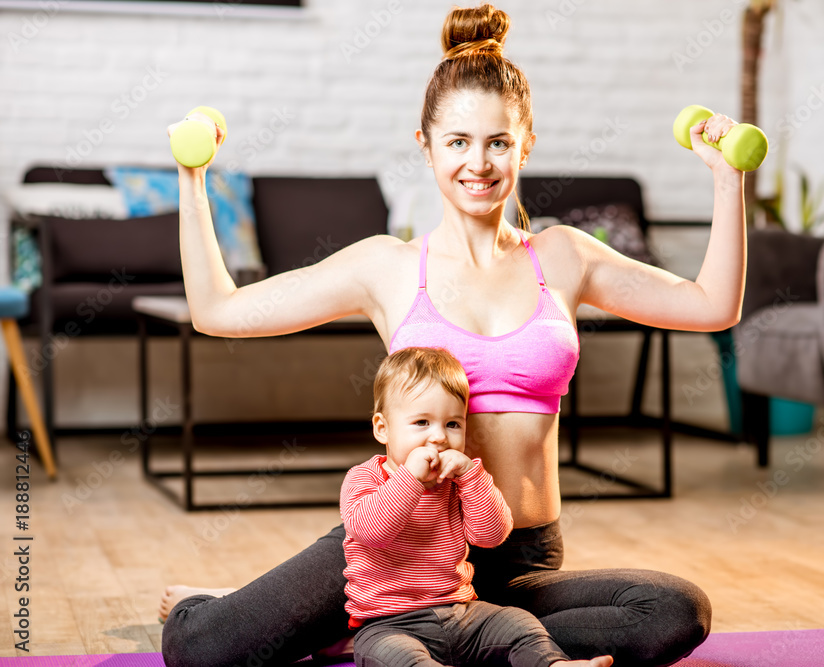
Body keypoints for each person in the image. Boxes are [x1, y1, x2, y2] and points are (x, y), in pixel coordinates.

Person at [161, 3, 744, 666]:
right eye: (458, 142)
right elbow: (218, 309)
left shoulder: (563, 256)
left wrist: (728, 179)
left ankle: (398, 632)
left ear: (525, 144)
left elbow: (712, 305)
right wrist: (193, 175)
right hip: (401, 544)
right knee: (201, 647)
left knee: (672, 611)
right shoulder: (386, 266)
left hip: (519, 560)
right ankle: (380, 618)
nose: (480, 162)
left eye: (498, 142)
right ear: (426, 146)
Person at [342, 346, 612, 667]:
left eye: (453, 424)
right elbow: (372, 531)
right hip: (389, 624)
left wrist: (471, 475)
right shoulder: (365, 478)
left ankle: (553, 664)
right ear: (382, 428)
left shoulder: (458, 482)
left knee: (518, 622)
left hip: (462, 612)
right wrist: (411, 478)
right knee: (396, 656)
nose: (439, 437)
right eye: (421, 422)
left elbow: (491, 535)